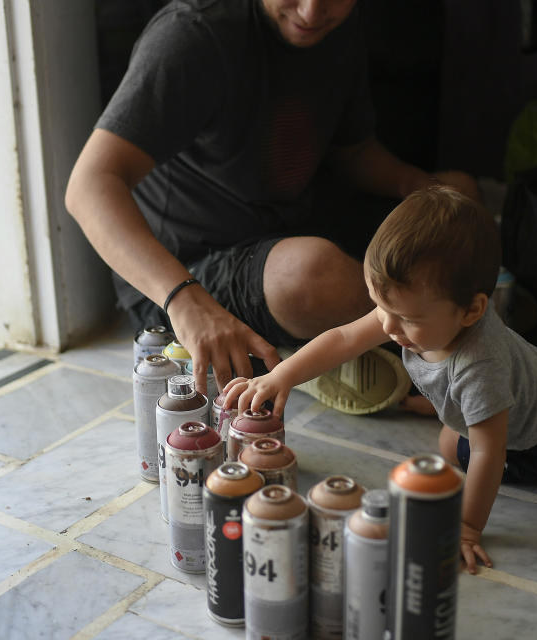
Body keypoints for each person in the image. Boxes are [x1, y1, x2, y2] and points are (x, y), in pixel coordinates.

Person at [65, 0, 479, 402]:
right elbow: (88, 186)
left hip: (289, 224)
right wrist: (184, 300)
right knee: (316, 274)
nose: (312, 12)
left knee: (460, 195)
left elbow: (353, 152)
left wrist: (418, 187)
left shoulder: (336, 26)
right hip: (186, 272)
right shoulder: (193, 34)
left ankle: (336, 350)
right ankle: (457, 352)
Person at [223, 186, 537, 572]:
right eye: (380, 306)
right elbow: (345, 338)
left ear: (471, 311)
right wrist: (281, 375)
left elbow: (489, 454)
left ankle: (457, 412)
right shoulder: (417, 314)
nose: (388, 325)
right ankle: (453, 408)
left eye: (408, 319)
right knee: (461, 425)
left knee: (453, 448)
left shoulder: (480, 368)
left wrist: (466, 527)